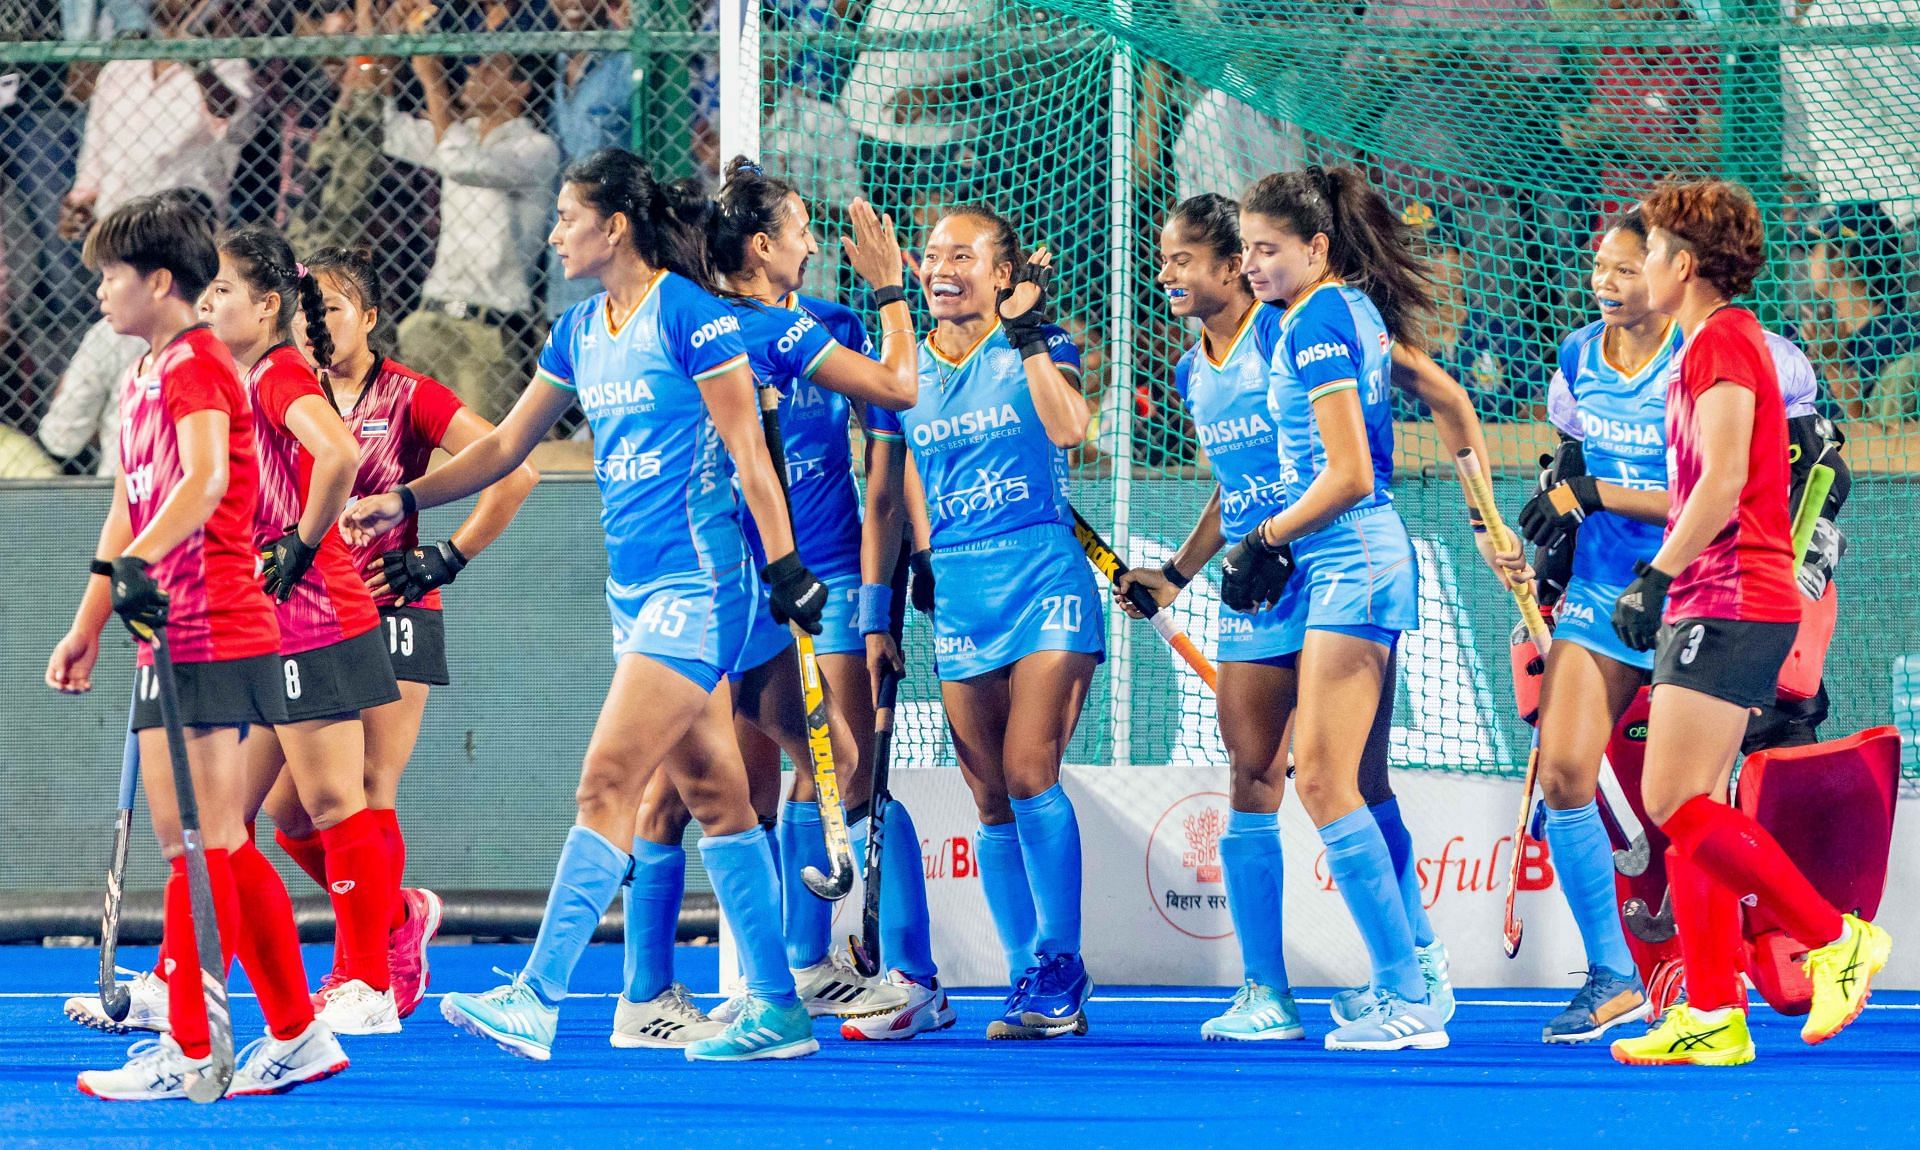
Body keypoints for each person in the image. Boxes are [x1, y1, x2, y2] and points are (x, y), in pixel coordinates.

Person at [342, 147, 825, 1063]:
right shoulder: (574, 331)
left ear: (614, 228)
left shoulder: (691, 316)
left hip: (697, 586)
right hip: (629, 594)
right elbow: (506, 449)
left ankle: (539, 994)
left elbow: (751, 460)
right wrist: (409, 502)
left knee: (606, 784)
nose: (555, 231)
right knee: (719, 799)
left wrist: (787, 566)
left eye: (567, 216)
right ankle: (776, 1009)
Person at [1118, 192, 1504, 1042]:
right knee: (1251, 779)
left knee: (1350, 782)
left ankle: (1415, 973)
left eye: (1185, 259)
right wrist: (1180, 572)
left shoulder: (1302, 323)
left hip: (1329, 561)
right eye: (1165, 259)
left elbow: (1430, 404)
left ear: (1233, 267)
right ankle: (1268, 995)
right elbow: (1241, 482)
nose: (1167, 273)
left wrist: (1486, 519)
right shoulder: (1194, 372)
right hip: (1267, 575)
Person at [46, 195, 345, 1100]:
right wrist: (90, 619)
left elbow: (209, 478)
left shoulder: (198, 366)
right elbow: (130, 506)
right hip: (161, 629)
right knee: (203, 840)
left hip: (215, 622)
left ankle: (198, 1046)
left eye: (111, 276)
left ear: (159, 283)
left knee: (205, 840)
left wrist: (141, 561)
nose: (99, 290)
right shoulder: (144, 374)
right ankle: (296, 1033)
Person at [643, 158, 943, 1042]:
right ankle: (794, 973)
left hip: (827, 577)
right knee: (784, 778)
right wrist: (894, 291)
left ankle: (897, 975)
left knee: (832, 776)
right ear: (764, 244)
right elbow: (900, 382)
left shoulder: (817, 323)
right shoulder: (738, 330)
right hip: (744, 586)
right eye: (804, 227)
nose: (817, 243)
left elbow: (889, 455)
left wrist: (894, 577)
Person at [1608, 178, 1892, 1067]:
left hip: (1733, 592)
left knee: (1673, 803)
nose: (1637, 265)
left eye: (1649, 250)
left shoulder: (1725, 343)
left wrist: (1655, 575)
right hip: (1715, 592)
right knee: (1694, 804)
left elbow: (1724, 481)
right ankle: (1712, 1011)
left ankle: (1836, 938)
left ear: (1683, 266)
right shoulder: (1705, 346)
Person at [256, 244, 537, 1023]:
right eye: (306, 312)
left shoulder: (410, 395)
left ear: (371, 318)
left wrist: (445, 558)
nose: (317, 327)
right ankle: (397, 918)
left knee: (370, 787)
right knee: (288, 811)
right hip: (307, 614)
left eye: (333, 310)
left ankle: (361, 977)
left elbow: (514, 470)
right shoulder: (286, 394)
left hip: (392, 608)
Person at [1214, 166, 1450, 1051]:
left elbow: (1348, 473)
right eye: (1247, 249)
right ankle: (1416, 972)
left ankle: (1410, 997)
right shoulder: (1342, 310)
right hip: (1349, 560)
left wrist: (1267, 536)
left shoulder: (1314, 319)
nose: (1253, 264)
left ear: (1317, 248)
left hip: (1350, 559)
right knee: (1351, 780)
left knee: (1318, 778)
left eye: (1269, 249)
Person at [885, 204, 1101, 1040]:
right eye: (933, 254)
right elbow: (907, 463)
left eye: (964, 255)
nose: (943, 268)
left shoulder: (1039, 345)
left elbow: (1071, 428)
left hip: (1044, 576)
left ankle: (1062, 960)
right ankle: (1027, 972)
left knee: (1027, 769)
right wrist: (927, 553)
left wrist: (1032, 332)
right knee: (989, 795)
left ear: (1005, 274)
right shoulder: (905, 364)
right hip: (962, 589)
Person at [196, 225, 409, 1037]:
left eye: (221, 291)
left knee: (330, 802)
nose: (208, 302)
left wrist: (303, 541)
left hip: (316, 615)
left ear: (269, 305)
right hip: (267, 621)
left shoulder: (281, 371)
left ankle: (367, 985)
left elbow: (340, 453)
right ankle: (192, 973)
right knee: (234, 813)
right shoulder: (235, 379)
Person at [1514, 207, 1681, 1044]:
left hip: (1694, 589)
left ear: (1670, 272)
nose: (1607, 283)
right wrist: (1543, 532)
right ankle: (1613, 975)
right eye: (1600, 267)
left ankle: (1720, 967)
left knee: (1682, 800)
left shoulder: (1698, 359)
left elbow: (1710, 500)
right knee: (1566, 774)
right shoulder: (1578, 355)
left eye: (1625, 269)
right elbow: (1573, 466)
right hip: (1600, 590)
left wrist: (1600, 495)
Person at [383, 52, 561, 421]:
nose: (474, 71)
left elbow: (463, 165)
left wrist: (434, 83)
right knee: (406, 453)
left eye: (493, 67)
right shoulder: (458, 135)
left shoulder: (535, 148)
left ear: (521, 88)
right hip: (429, 317)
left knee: (479, 461)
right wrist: (384, 64)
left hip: (487, 330)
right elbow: (388, 131)